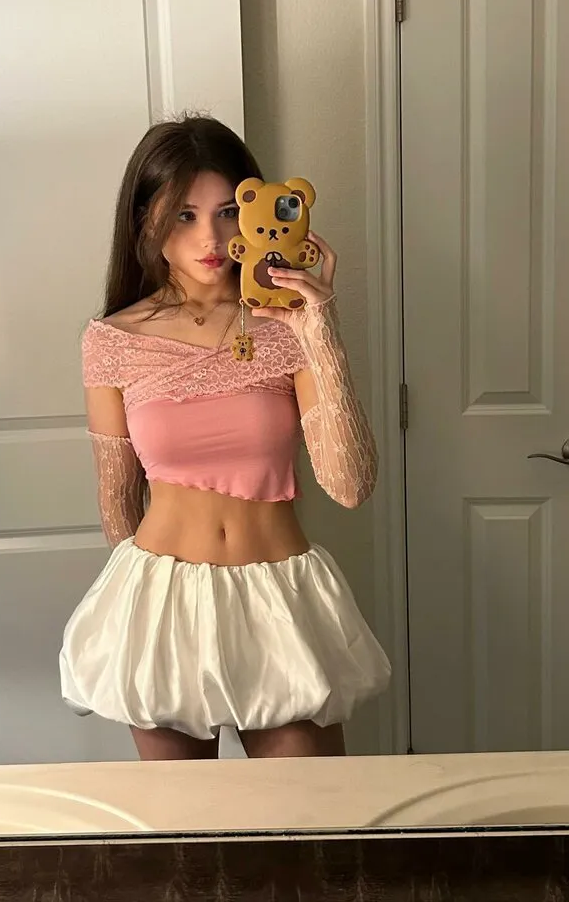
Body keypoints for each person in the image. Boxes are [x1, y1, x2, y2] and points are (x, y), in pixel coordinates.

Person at [59, 113, 391, 761]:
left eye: (227, 212)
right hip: (163, 605)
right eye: (183, 215)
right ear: (145, 222)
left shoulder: (289, 327)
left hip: (279, 603)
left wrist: (320, 328)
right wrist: (138, 612)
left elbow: (351, 485)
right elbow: (118, 507)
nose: (210, 237)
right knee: (181, 821)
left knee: (311, 814)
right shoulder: (111, 342)